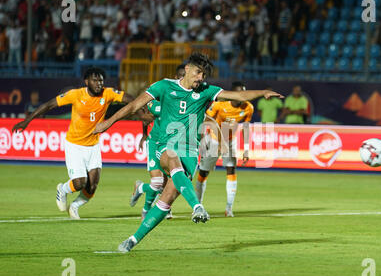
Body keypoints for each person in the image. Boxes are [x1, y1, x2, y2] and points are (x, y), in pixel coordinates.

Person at [93, 52, 283, 253]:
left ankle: (132, 240)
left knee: (167, 198)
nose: (201, 78)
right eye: (198, 72)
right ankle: (197, 207)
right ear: (187, 70)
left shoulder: (207, 91)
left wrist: (263, 92)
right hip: (165, 145)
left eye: (204, 75)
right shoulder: (164, 86)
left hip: (191, 152)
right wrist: (107, 123)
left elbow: (237, 96)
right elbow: (133, 106)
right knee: (171, 161)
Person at [11, 67, 141, 220]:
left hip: (93, 145)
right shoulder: (76, 95)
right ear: (87, 82)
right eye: (95, 80)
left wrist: (143, 106)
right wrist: (27, 121)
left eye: (101, 80)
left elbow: (130, 99)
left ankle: (74, 206)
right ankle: (63, 189)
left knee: (92, 186)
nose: (99, 83)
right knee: (79, 183)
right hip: (75, 145)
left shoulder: (108, 93)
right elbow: (48, 105)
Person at [129, 64, 186, 221]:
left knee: (171, 180)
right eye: (181, 75)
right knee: (157, 182)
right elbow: (145, 115)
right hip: (156, 142)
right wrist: (143, 135)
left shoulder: (187, 98)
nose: (183, 78)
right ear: (176, 77)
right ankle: (142, 193)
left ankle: (149, 207)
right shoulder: (161, 91)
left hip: (173, 143)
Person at [195, 81, 254, 217]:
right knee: (203, 173)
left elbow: (245, 128)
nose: (243, 96)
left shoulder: (248, 107)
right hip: (214, 140)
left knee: (231, 170)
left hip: (231, 142)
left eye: (244, 93)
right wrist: (203, 140)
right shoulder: (219, 104)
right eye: (240, 93)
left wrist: (246, 149)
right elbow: (205, 119)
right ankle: (198, 205)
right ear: (233, 94)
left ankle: (229, 208)